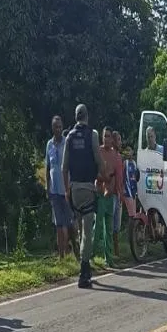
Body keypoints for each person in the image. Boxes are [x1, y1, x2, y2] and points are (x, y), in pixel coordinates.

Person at [62, 104, 103, 288]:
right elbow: (98, 159)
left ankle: (83, 264)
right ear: (87, 116)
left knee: (79, 229)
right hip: (88, 187)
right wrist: (101, 179)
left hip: (74, 190)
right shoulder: (92, 134)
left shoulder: (69, 137)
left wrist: (66, 190)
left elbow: (64, 167)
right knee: (87, 233)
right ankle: (84, 271)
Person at [46, 115, 78, 260]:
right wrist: (48, 188)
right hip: (54, 191)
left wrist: (70, 187)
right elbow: (48, 168)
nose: (58, 129)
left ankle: (75, 249)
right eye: (55, 127)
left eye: (60, 127)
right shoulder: (49, 145)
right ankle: (62, 256)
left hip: (66, 190)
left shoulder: (67, 143)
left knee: (69, 224)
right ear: (52, 128)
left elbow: (72, 166)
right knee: (59, 225)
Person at [93, 126, 119, 268]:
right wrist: (103, 179)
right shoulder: (99, 152)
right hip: (99, 192)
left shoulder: (115, 154)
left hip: (110, 194)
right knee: (97, 228)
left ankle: (108, 258)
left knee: (109, 228)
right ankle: (90, 256)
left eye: (109, 136)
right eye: (105, 136)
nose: (107, 139)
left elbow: (115, 173)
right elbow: (94, 172)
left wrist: (114, 188)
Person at [111, 130, 124, 257]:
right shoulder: (112, 156)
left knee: (117, 226)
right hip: (113, 193)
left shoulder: (120, 157)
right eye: (119, 139)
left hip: (119, 193)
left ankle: (116, 251)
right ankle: (113, 251)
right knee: (112, 225)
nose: (121, 142)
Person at [122, 145, 138, 218]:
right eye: (127, 151)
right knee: (132, 215)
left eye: (129, 150)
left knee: (134, 213)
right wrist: (123, 188)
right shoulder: (125, 163)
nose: (128, 152)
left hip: (134, 191)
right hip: (127, 190)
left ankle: (131, 229)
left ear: (132, 152)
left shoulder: (134, 163)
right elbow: (122, 176)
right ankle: (130, 229)